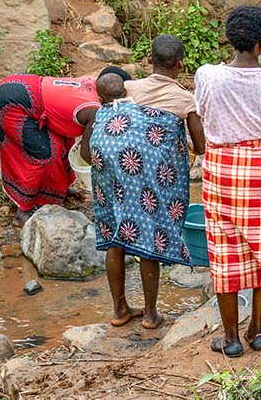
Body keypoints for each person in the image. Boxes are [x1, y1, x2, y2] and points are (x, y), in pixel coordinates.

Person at [195, 6, 261, 358]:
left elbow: (202, 112)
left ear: (230, 39)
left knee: (225, 253)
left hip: (222, 168)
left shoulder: (208, 75)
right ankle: (258, 330)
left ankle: (231, 338)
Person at [89, 35, 206, 331]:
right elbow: (201, 145)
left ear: (149, 61)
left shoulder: (127, 88)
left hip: (113, 167)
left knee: (117, 232)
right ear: (180, 65)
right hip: (146, 174)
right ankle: (151, 314)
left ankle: (119, 309)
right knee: (148, 234)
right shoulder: (184, 98)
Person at [0, 66, 131, 227]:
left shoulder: (96, 84)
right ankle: (22, 211)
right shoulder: (93, 110)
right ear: (103, 98)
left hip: (25, 85)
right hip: (13, 101)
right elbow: (85, 154)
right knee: (44, 155)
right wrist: (108, 173)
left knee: (63, 144)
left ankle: (59, 189)